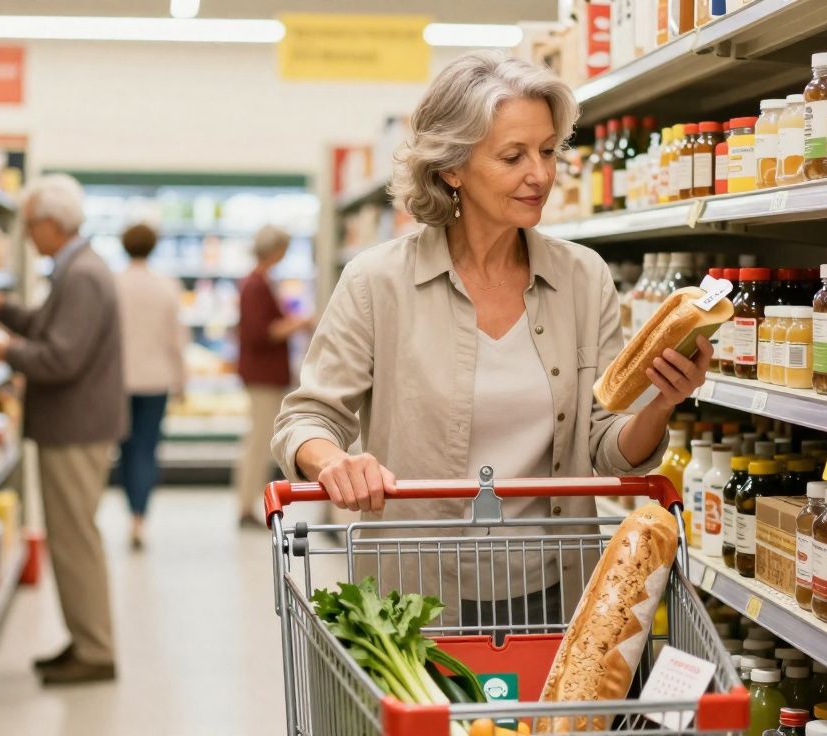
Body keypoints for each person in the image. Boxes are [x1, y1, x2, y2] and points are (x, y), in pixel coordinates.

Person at [271, 51, 710, 628]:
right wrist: (333, 462)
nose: (541, 175)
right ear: (452, 167)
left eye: (548, 151)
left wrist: (660, 403)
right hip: (417, 598)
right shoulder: (377, 281)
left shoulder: (583, 278)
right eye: (513, 156)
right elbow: (304, 418)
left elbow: (606, 447)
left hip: (556, 590)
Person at [0, 173, 124, 685]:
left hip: (76, 429)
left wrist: (3, 351)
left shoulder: (82, 275)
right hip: (75, 426)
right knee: (72, 538)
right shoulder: (77, 268)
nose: (28, 235)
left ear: (53, 224)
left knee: (74, 541)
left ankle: (95, 651)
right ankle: (85, 640)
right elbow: (49, 327)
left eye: (31, 224)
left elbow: (61, 357)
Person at [115, 222, 188, 550]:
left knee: (125, 449)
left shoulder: (114, 283)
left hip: (120, 380)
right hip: (157, 380)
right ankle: (139, 518)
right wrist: (181, 380)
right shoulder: (166, 286)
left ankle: (131, 510)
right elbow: (176, 338)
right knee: (147, 448)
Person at [235, 225, 310, 527]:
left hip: (264, 374)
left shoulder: (261, 281)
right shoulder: (256, 285)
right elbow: (260, 332)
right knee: (258, 441)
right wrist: (298, 323)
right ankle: (246, 506)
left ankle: (249, 502)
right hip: (262, 375)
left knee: (260, 439)